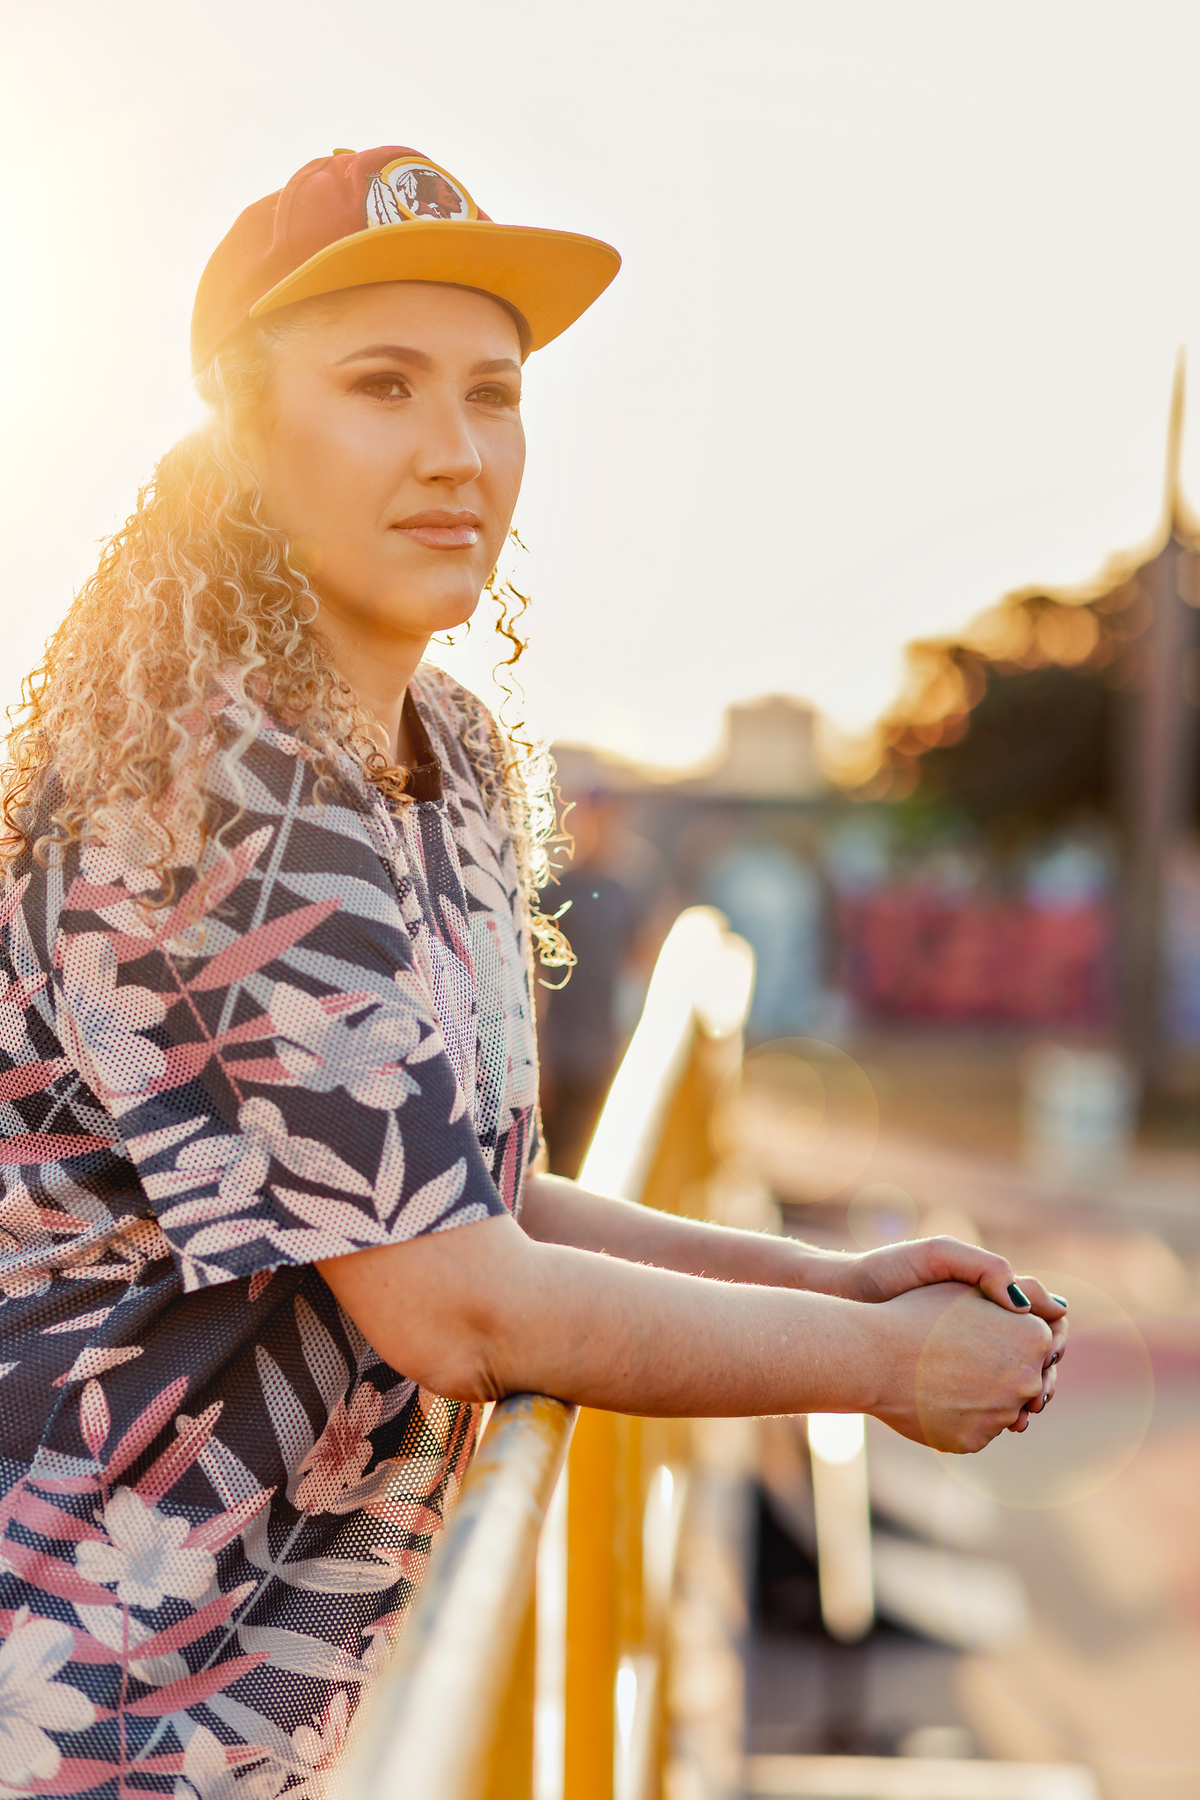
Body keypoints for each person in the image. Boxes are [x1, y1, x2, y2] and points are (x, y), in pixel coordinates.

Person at [0, 144, 1066, 1797]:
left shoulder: (446, 747)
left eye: (492, 393)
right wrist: (880, 1371)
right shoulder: (210, 789)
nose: (456, 449)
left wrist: (828, 1286)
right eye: (382, 385)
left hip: (284, 1701)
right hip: (98, 1707)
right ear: (242, 430)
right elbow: (457, 1303)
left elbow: (468, 1190)